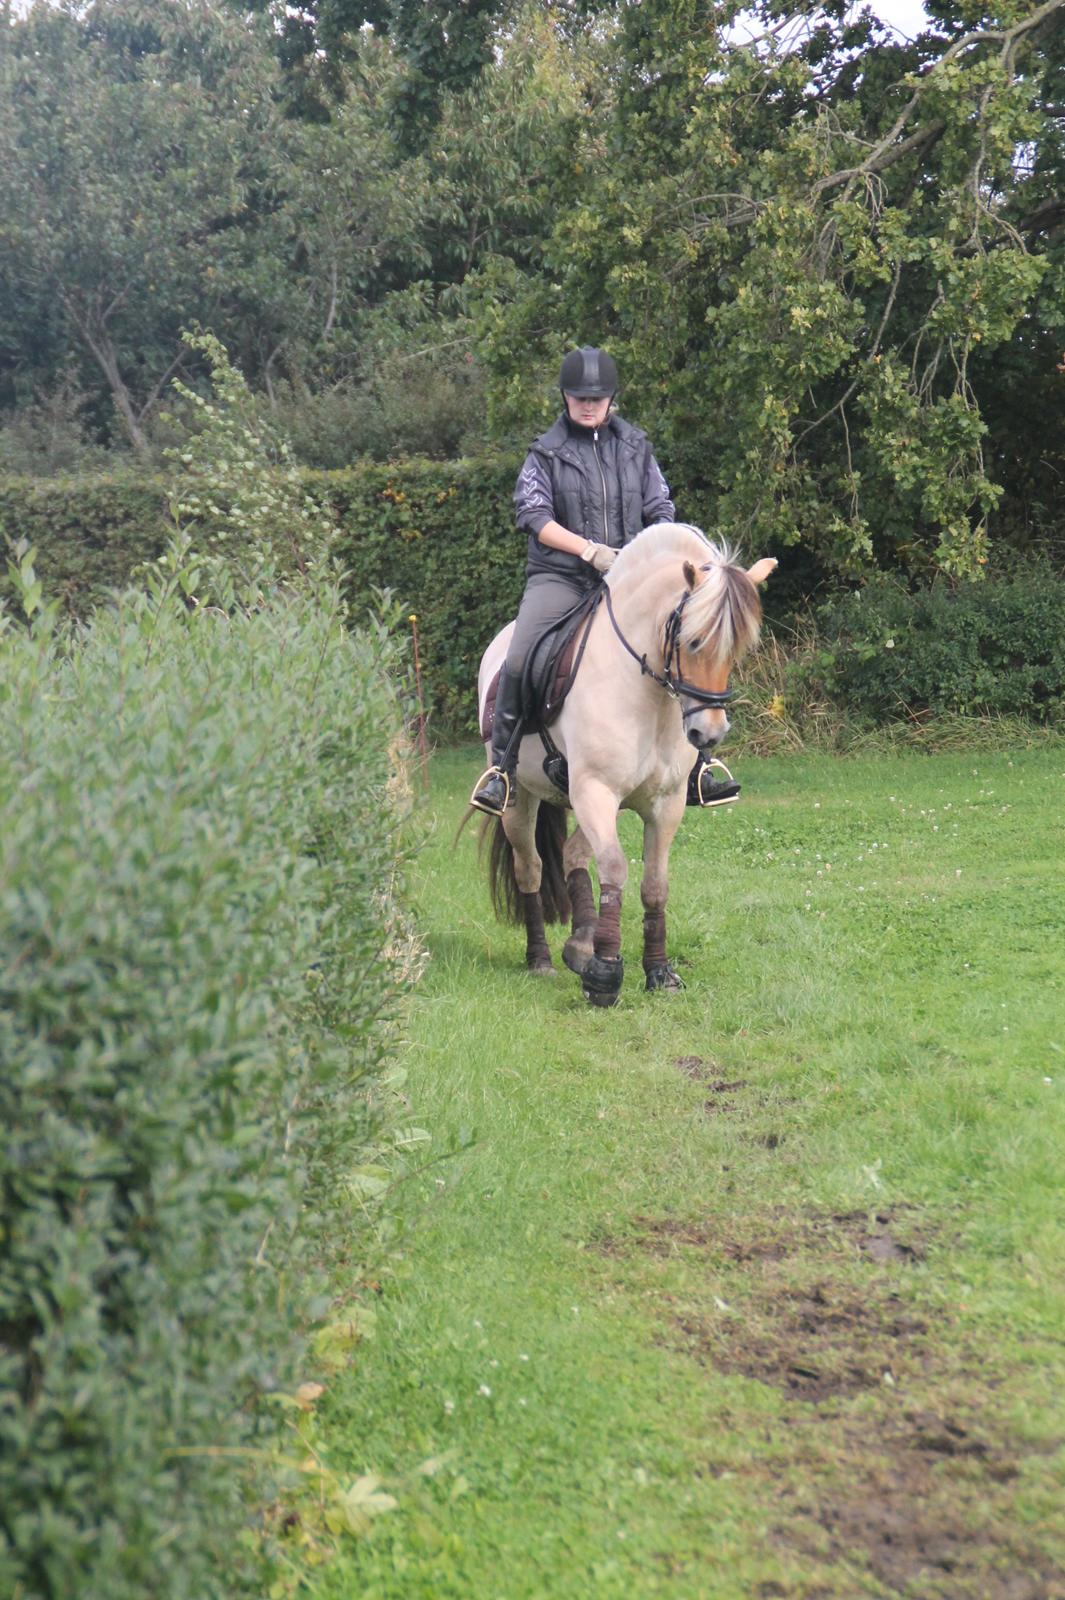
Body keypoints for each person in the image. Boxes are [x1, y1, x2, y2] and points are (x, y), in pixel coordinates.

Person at [470, 346, 740, 815]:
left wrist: (647, 554)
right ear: (565, 398)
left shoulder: (637, 448)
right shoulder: (545, 452)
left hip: (628, 583)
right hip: (561, 577)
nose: (589, 404)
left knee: (688, 643)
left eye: (598, 397)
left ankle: (699, 764)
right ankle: (503, 769)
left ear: (612, 398)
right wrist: (588, 550)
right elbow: (532, 515)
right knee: (520, 653)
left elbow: (661, 510)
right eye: (579, 397)